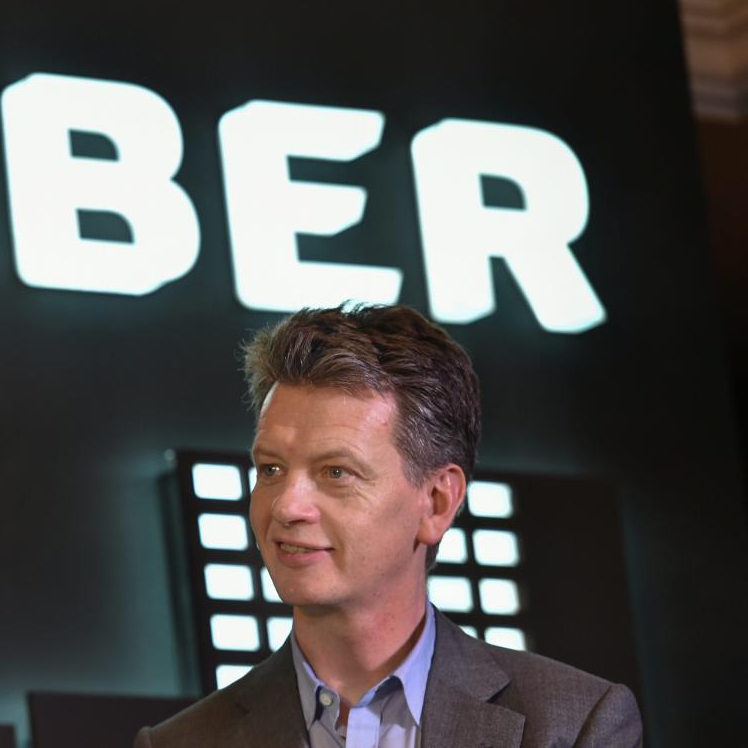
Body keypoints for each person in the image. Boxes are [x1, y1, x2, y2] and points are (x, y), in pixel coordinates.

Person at [134, 304, 642, 747]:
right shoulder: (180, 743)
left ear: (437, 502)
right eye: (270, 469)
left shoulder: (572, 727)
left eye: (336, 472)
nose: (287, 506)